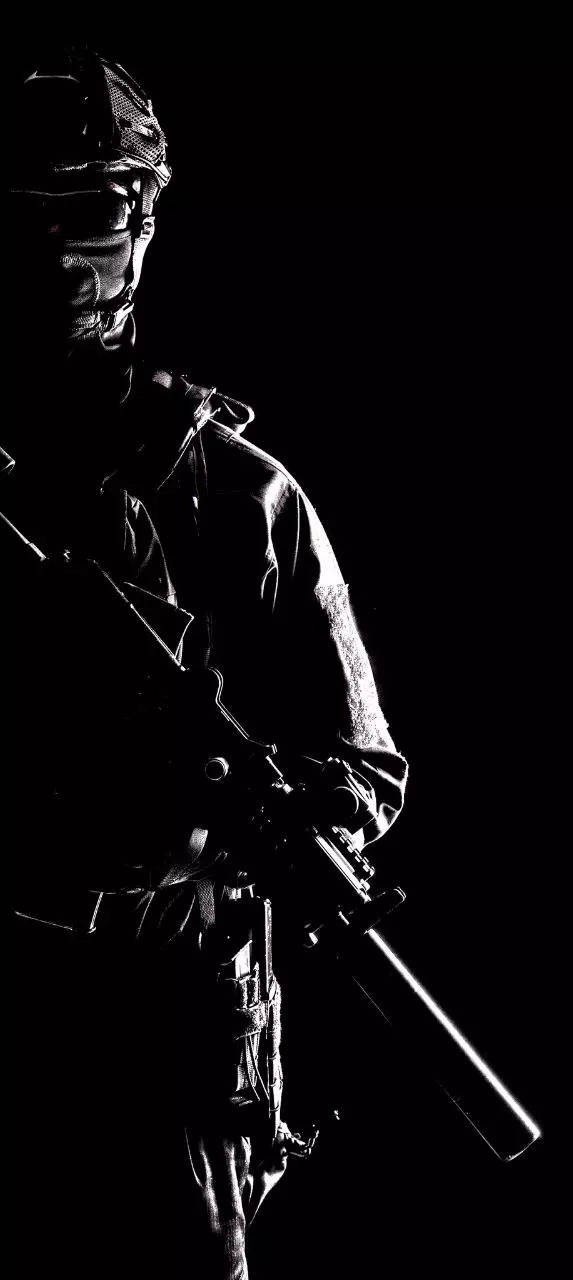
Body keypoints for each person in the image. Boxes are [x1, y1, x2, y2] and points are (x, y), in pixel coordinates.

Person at [6, 46, 408, 1279]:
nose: (54, 255)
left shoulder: (236, 495)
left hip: (162, 1036)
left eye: (86, 215)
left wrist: (259, 818)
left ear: (139, 223)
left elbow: (362, 764)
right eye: (23, 217)